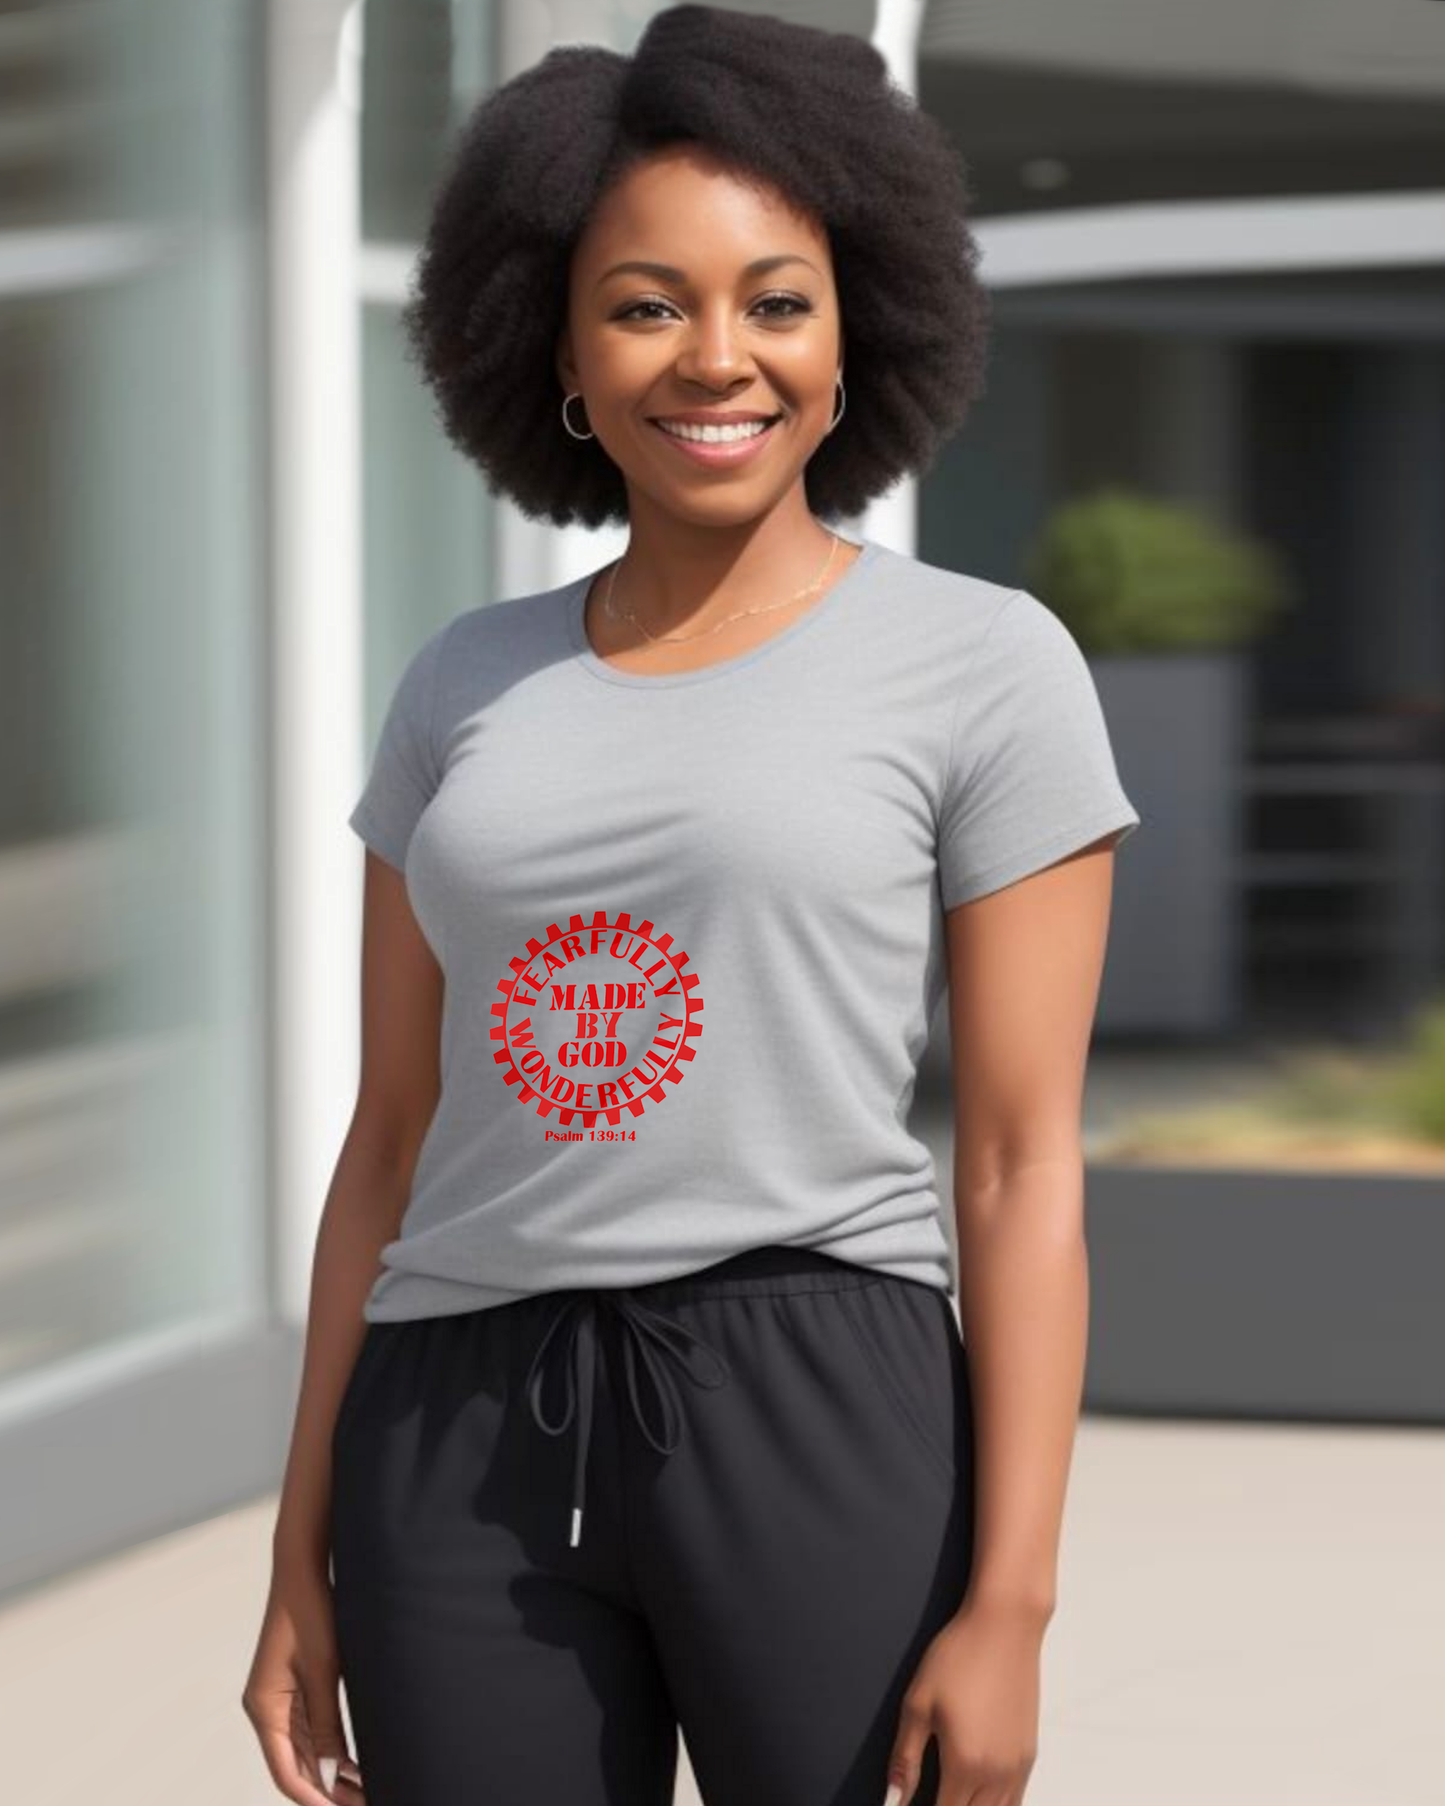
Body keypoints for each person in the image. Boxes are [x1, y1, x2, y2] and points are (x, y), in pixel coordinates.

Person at [241, 8, 1141, 1805]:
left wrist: (1017, 1601)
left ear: (849, 330)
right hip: (455, 1425)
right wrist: (298, 1557)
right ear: (559, 348)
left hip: (815, 1385)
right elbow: (392, 1138)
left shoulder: (982, 664)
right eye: (648, 303)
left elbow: (1024, 1161)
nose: (714, 358)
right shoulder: (458, 686)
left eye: (775, 301)